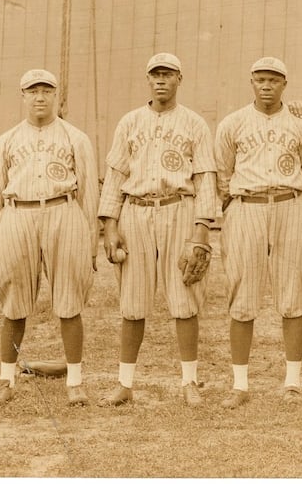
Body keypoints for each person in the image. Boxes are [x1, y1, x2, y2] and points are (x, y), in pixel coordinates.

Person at [97, 52, 218, 407]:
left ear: (180, 79)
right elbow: (116, 176)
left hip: (178, 207)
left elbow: (206, 177)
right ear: (148, 80)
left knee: (184, 300)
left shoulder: (194, 123)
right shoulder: (130, 122)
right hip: (136, 211)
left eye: (168, 74)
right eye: (155, 74)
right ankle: (125, 383)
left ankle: (190, 381)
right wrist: (109, 224)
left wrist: (200, 230)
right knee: (132, 303)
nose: (161, 80)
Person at [0, 69, 100, 406]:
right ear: (23, 96)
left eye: (46, 90)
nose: (40, 97)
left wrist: (91, 244)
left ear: (57, 95)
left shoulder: (76, 138)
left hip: (64, 211)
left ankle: (74, 381)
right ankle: (6, 379)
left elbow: (89, 193)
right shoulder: (7, 140)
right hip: (18, 213)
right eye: (33, 91)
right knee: (14, 304)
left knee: (69, 301)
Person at [214, 56, 302, 409]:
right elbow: (222, 171)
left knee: (292, 295)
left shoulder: (301, 123)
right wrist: (235, 204)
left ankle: (292, 381)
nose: (266, 86)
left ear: (284, 85)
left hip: (291, 203)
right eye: (260, 79)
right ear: (251, 82)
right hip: (248, 206)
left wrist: (294, 200)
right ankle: (240, 384)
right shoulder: (233, 123)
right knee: (242, 295)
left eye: (273, 80)